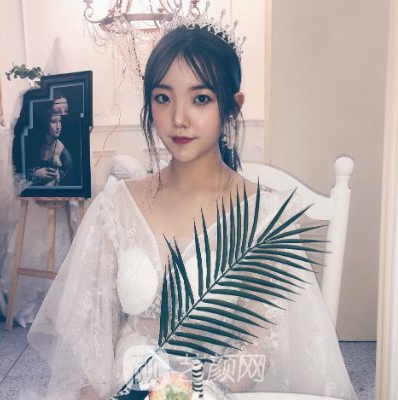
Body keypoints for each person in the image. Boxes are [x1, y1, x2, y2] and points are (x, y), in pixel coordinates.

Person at [27, 13, 357, 400]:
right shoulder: (116, 206)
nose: (179, 118)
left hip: (219, 390)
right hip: (125, 385)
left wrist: (196, 391)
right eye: (163, 98)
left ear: (231, 107)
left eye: (200, 99)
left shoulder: (265, 216)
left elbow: (260, 344)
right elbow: (91, 335)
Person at [27, 103, 73, 186]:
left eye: (60, 121)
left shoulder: (65, 157)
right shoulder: (38, 146)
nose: (58, 126)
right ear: (45, 122)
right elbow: (23, 174)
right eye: (53, 121)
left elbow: (66, 188)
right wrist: (37, 173)